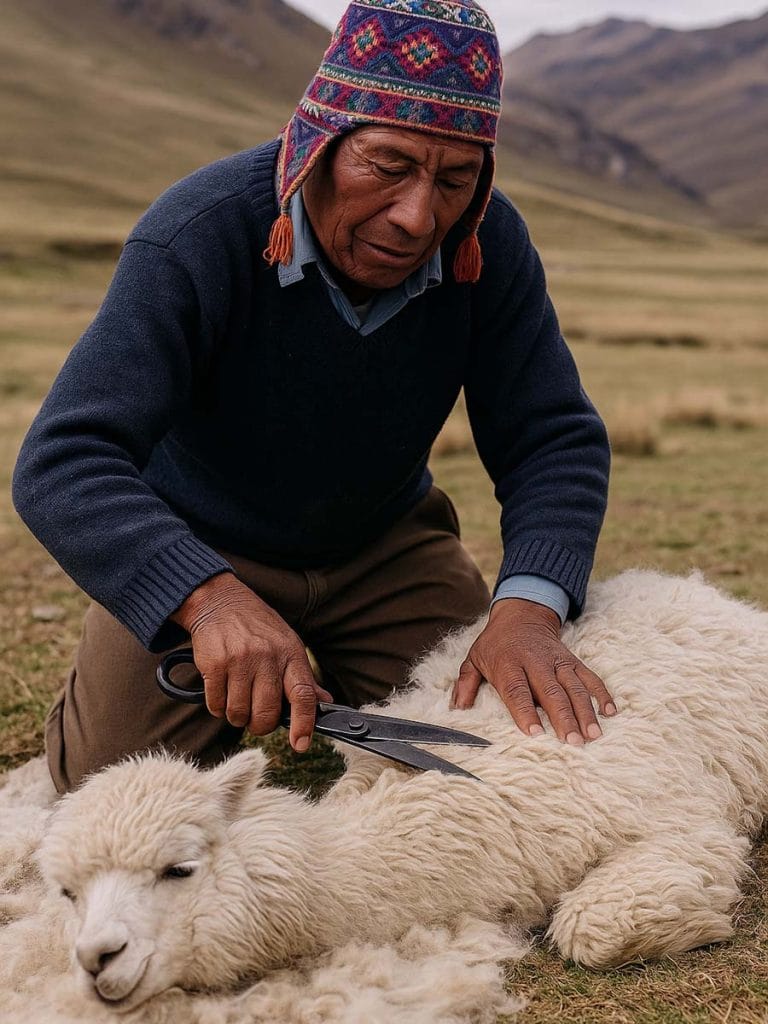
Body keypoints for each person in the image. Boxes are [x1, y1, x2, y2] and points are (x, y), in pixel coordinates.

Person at [12, 0, 614, 794]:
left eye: (455, 180)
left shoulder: (488, 242)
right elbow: (64, 460)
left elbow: (553, 437)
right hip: (203, 542)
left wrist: (528, 611)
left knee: (498, 759)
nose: (418, 217)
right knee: (110, 790)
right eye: (388, 166)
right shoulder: (199, 233)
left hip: (385, 548)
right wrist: (206, 600)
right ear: (317, 141)